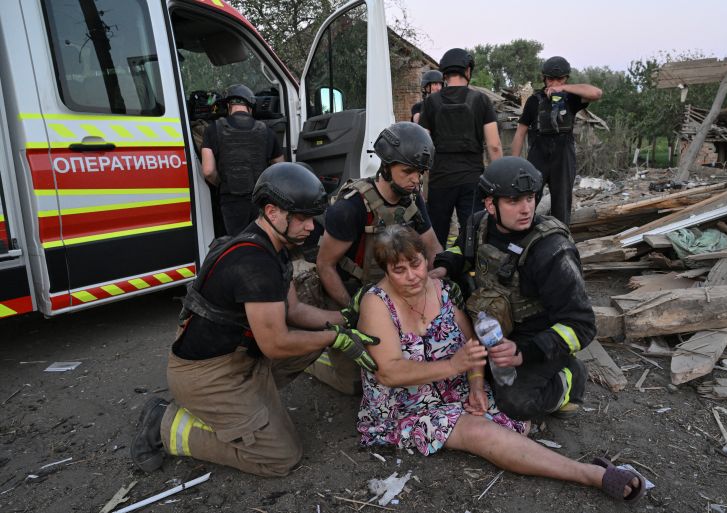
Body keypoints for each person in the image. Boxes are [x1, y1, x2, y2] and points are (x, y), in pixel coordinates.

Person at [356, 225, 645, 506]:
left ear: (425, 258)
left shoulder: (439, 288)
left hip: (452, 388)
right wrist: (454, 366)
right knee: (480, 433)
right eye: (399, 270)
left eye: (416, 264)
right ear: (386, 271)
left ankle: (565, 382)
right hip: (405, 403)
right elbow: (389, 372)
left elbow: (470, 340)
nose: (411, 276)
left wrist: (476, 384)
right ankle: (591, 474)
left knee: (518, 423)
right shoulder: (376, 303)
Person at [130, 163, 380, 477]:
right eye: (301, 218)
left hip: (242, 358)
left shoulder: (273, 245)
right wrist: (335, 337)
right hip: (208, 376)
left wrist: (345, 318)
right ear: (272, 211)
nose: (310, 227)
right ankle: (163, 423)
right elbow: (276, 344)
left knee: (320, 331)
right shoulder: (253, 263)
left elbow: (294, 312)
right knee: (280, 457)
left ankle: (245, 409)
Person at [431, 157, 596, 421]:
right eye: (513, 201)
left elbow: (583, 324)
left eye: (530, 198)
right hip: (490, 327)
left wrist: (525, 353)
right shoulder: (477, 224)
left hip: (536, 341)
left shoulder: (551, 250)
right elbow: (461, 250)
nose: (525, 209)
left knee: (515, 403)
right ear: (490, 205)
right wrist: (444, 268)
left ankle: (571, 378)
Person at [309, 122, 443, 394]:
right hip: (351, 293)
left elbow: (434, 249)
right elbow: (325, 265)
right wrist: (353, 311)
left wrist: (432, 288)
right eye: (407, 171)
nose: (416, 180)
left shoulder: (412, 201)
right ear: (385, 166)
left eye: (420, 173)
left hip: (396, 290)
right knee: (356, 386)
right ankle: (318, 358)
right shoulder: (351, 207)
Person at [419, 48, 503, 248]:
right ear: (468, 70)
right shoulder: (481, 100)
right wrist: (501, 181)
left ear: (444, 74)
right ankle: (470, 275)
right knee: (472, 233)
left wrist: (420, 183)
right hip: (472, 180)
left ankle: (437, 274)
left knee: (437, 235)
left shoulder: (431, 102)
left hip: (440, 179)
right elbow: (494, 145)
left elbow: (422, 145)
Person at [511, 56, 602, 225]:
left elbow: (596, 93)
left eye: (559, 79)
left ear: (566, 78)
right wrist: (514, 164)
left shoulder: (571, 99)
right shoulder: (534, 100)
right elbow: (520, 133)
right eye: (551, 79)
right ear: (544, 79)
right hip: (537, 156)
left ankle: (561, 241)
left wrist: (564, 89)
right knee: (527, 200)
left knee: (562, 206)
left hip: (563, 157)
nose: (554, 83)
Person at [202, 84, 285, 235]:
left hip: (231, 202)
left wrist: (222, 183)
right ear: (250, 107)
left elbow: (208, 171)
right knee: (261, 241)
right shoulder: (267, 131)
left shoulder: (212, 129)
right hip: (260, 200)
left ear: (228, 106)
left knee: (238, 244)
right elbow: (280, 168)